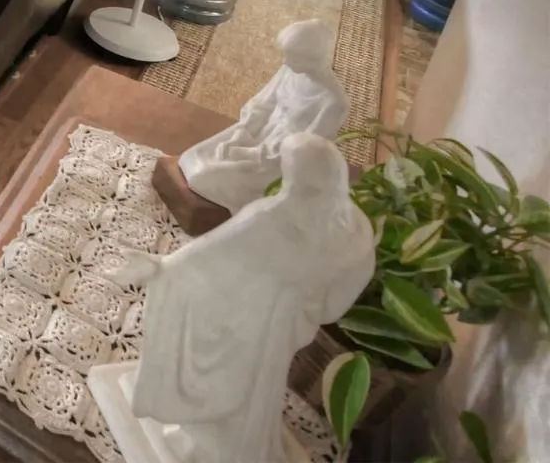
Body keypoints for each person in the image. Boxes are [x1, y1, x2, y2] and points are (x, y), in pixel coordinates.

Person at [110, 133, 374, 463]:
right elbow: (343, 291)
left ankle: (210, 440)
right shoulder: (353, 227)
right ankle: (235, 446)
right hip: (280, 322)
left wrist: (163, 268)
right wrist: (311, 306)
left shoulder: (276, 215)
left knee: (227, 380)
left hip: (252, 314)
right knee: (257, 390)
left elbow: (210, 253)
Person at [179, 19, 348, 212]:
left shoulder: (334, 102)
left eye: (293, 58)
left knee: (204, 176)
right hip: (258, 133)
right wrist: (240, 136)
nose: (285, 62)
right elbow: (262, 105)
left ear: (314, 58)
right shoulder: (290, 70)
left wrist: (245, 153)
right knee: (192, 158)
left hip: (277, 161)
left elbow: (304, 151)